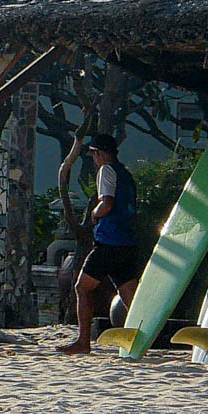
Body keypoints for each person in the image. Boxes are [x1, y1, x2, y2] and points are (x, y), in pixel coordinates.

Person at [58, 133, 143, 354]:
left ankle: (83, 341)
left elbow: (107, 203)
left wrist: (95, 214)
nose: (94, 159)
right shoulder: (125, 174)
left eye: (94, 154)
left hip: (108, 242)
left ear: (100, 153)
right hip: (126, 242)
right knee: (129, 296)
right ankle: (143, 338)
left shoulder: (107, 170)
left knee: (82, 288)